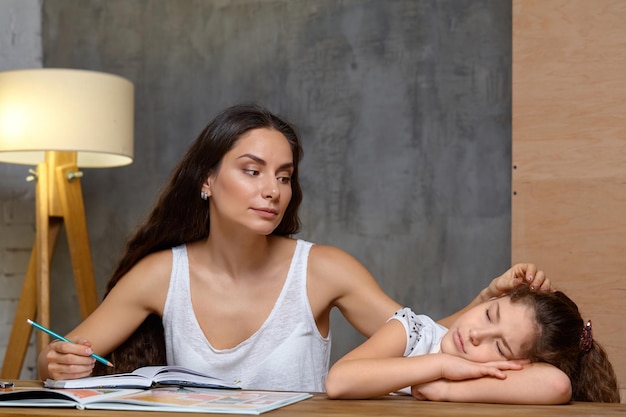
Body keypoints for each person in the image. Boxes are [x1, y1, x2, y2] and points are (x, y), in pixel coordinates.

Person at [38, 103, 557, 393]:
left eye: (284, 177)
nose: (273, 190)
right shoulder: (158, 275)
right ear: (206, 181)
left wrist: (484, 299)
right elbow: (60, 358)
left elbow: (420, 339)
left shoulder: (324, 269)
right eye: (252, 171)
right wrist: (56, 361)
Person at [325, 284, 620, 403]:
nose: (477, 335)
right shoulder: (415, 332)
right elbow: (339, 382)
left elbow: (557, 384)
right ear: (493, 298)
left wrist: (444, 389)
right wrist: (440, 364)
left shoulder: (499, 378)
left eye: (500, 347)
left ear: (519, 364)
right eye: (491, 315)